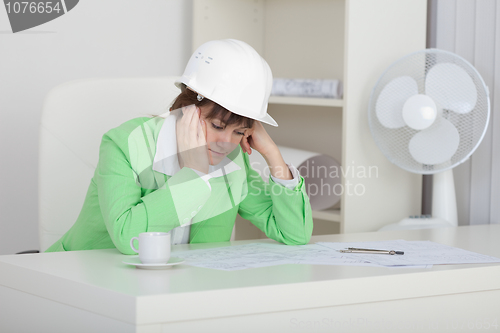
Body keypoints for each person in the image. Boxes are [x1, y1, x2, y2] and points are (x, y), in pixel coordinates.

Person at [45, 39, 313, 254]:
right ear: (187, 108)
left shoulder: (234, 163)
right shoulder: (124, 144)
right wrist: (194, 174)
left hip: (176, 294)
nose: (226, 143)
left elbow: (295, 234)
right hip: (81, 283)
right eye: (218, 126)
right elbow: (129, 238)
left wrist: (272, 155)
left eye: (240, 132)